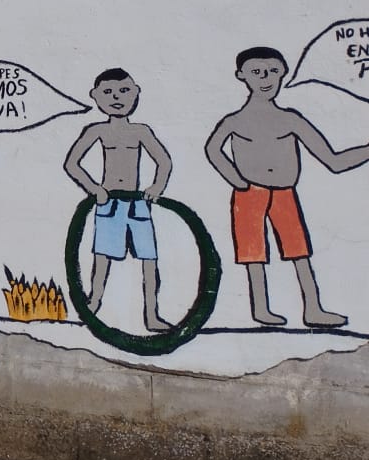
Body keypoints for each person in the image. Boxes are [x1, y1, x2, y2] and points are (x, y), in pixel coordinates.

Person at [206, 45, 369, 329]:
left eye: (272, 71)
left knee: (298, 248)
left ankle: (313, 308)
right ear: (241, 75)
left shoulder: (290, 119)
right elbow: (212, 149)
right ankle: (261, 308)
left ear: (283, 73)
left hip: (284, 192)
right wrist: (236, 180)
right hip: (249, 194)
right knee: (253, 251)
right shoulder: (235, 121)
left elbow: (333, 160)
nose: (266, 78)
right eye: (257, 71)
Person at [63, 68, 173, 332]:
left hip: (137, 204)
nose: (116, 97)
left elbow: (164, 161)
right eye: (108, 92)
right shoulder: (97, 130)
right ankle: (93, 304)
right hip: (109, 203)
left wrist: (156, 187)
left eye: (124, 91)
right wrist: (94, 189)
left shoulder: (140, 131)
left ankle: (152, 314)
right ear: (95, 96)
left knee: (149, 259)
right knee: (102, 257)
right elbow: (72, 163)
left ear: (135, 92)